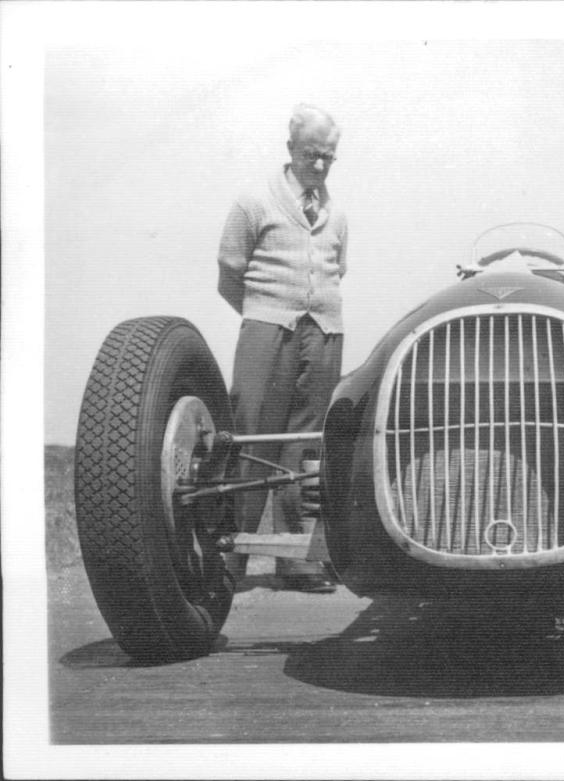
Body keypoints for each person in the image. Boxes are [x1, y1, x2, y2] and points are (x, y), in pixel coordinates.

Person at [217, 104, 347, 593]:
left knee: (307, 444)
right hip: (268, 330)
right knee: (252, 436)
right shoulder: (254, 201)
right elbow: (230, 272)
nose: (320, 164)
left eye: (329, 156)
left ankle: (296, 559)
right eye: (312, 154)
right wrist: (263, 317)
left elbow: (337, 270)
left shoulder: (337, 214)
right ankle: (231, 556)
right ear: (290, 148)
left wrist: (313, 318)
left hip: (325, 331)